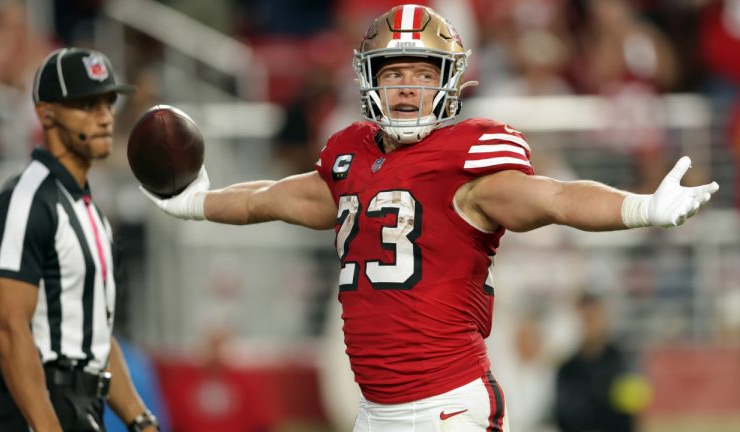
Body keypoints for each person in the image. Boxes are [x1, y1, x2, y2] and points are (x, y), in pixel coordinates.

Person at [141, 5, 719, 431]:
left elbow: (556, 198)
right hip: (374, 411)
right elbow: (269, 198)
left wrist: (640, 207)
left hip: (448, 409)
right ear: (370, 79)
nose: (408, 89)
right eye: (394, 73)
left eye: (423, 73)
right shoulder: (349, 157)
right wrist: (197, 201)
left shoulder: (467, 161)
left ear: (449, 81)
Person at [0, 47, 159, 432]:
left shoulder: (92, 214)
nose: (105, 117)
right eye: (87, 105)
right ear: (46, 113)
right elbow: (9, 328)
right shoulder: (25, 201)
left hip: (84, 405)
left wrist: (142, 422)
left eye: (108, 103)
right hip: (36, 406)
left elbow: (95, 339)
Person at [554, 292, 638, 432]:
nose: (590, 325)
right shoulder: (567, 370)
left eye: (594, 317)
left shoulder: (621, 362)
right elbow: (563, 416)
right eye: (586, 319)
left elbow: (631, 414)